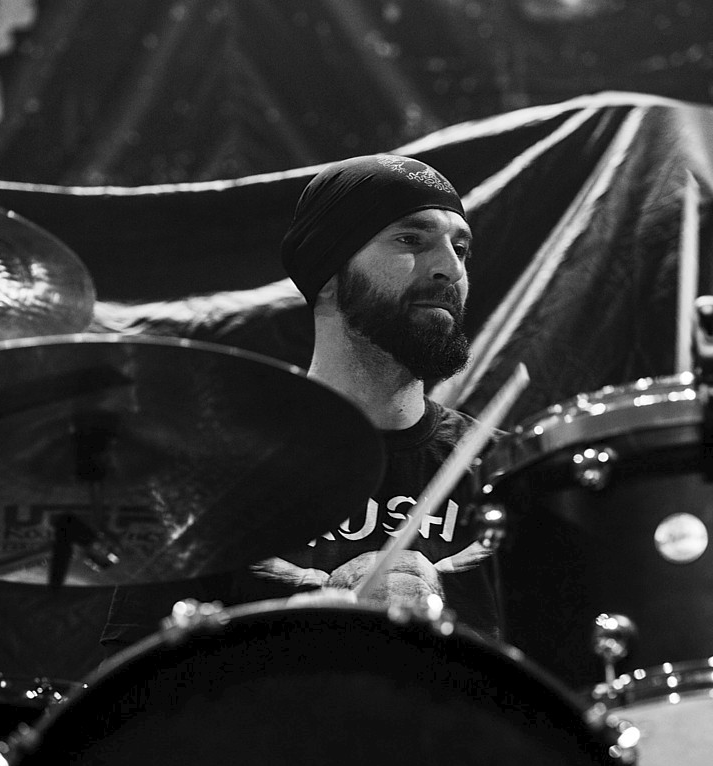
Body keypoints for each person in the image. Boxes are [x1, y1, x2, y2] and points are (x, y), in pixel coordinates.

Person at [98, 154, 500, 658]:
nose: (451, 268)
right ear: (328, 273)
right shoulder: (211, 472)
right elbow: (139, 681)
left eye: (460, 249)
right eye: (410, 240)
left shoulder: (502, 473)